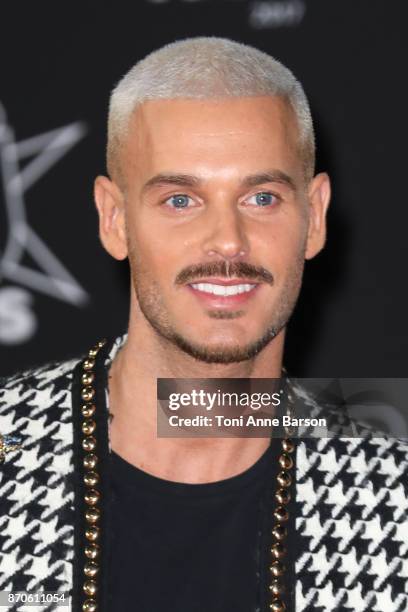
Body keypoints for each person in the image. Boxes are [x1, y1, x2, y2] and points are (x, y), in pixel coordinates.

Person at [0, 37, 407, 612]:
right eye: (180, 200)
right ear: (114, 220)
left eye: (262, 197)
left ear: (314, 217)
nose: (227, 241)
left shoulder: (390, 501)